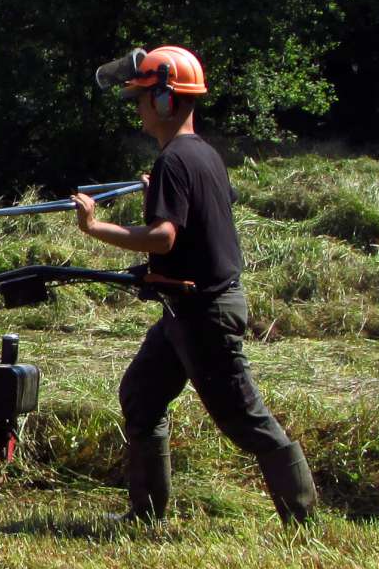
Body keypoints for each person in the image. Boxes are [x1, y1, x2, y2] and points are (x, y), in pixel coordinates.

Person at [70, 45, 318, 523]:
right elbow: (202, 208)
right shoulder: (201, 155)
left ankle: (303, 520)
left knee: (245, 420)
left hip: (203, 311)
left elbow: (164, 237)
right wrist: (157, 188)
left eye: (143, 98)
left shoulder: (173, 162)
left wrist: (95, 227)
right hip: (184, 306)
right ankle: (146, 515)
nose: (139, 108)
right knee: (141, 396)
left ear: (165, 102)